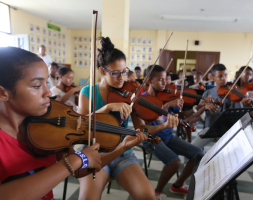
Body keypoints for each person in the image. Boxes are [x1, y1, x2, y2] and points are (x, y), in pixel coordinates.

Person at [0, 46, 147, 200]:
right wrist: (75, 160)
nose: (49, 92)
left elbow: (81, 170)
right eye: (37, 86)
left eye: (46, 84)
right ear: (3, 93)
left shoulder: (47, 125)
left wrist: (122, 147)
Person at [77, 37, 155, 200]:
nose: (122, 78)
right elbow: (80, 125)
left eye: (124, 71)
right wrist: (107, 108)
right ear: (102, 71)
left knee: (148, 196)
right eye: (115, 73)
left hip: (123, 153)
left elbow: (141, 127)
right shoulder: (87, 92)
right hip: (94, 152)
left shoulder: (130, 94)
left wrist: (158, 127)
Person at [132, 65, 205, 199]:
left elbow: (182, 115)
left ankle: (177, 185)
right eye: (160, 80)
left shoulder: (167, 96)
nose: (165, 83)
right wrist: (165, 106)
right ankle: (157, 192)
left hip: (168, 137)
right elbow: (144, 127)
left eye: (166, 79)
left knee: (199, 155)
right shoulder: (141, 101)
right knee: (174, 162)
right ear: (149, 80)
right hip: (151, 139)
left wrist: (197, 108)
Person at [187, 64, 250, 149]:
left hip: (227, 131)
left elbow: (240, 115)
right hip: (210, 129)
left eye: (225, 75)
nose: (223, 78)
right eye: (220, 76)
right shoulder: (208, 93)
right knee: (192, 148)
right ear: (212, 78)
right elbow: (198, 114)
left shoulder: (234, 94)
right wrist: (204, 107)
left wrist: (245, 105)